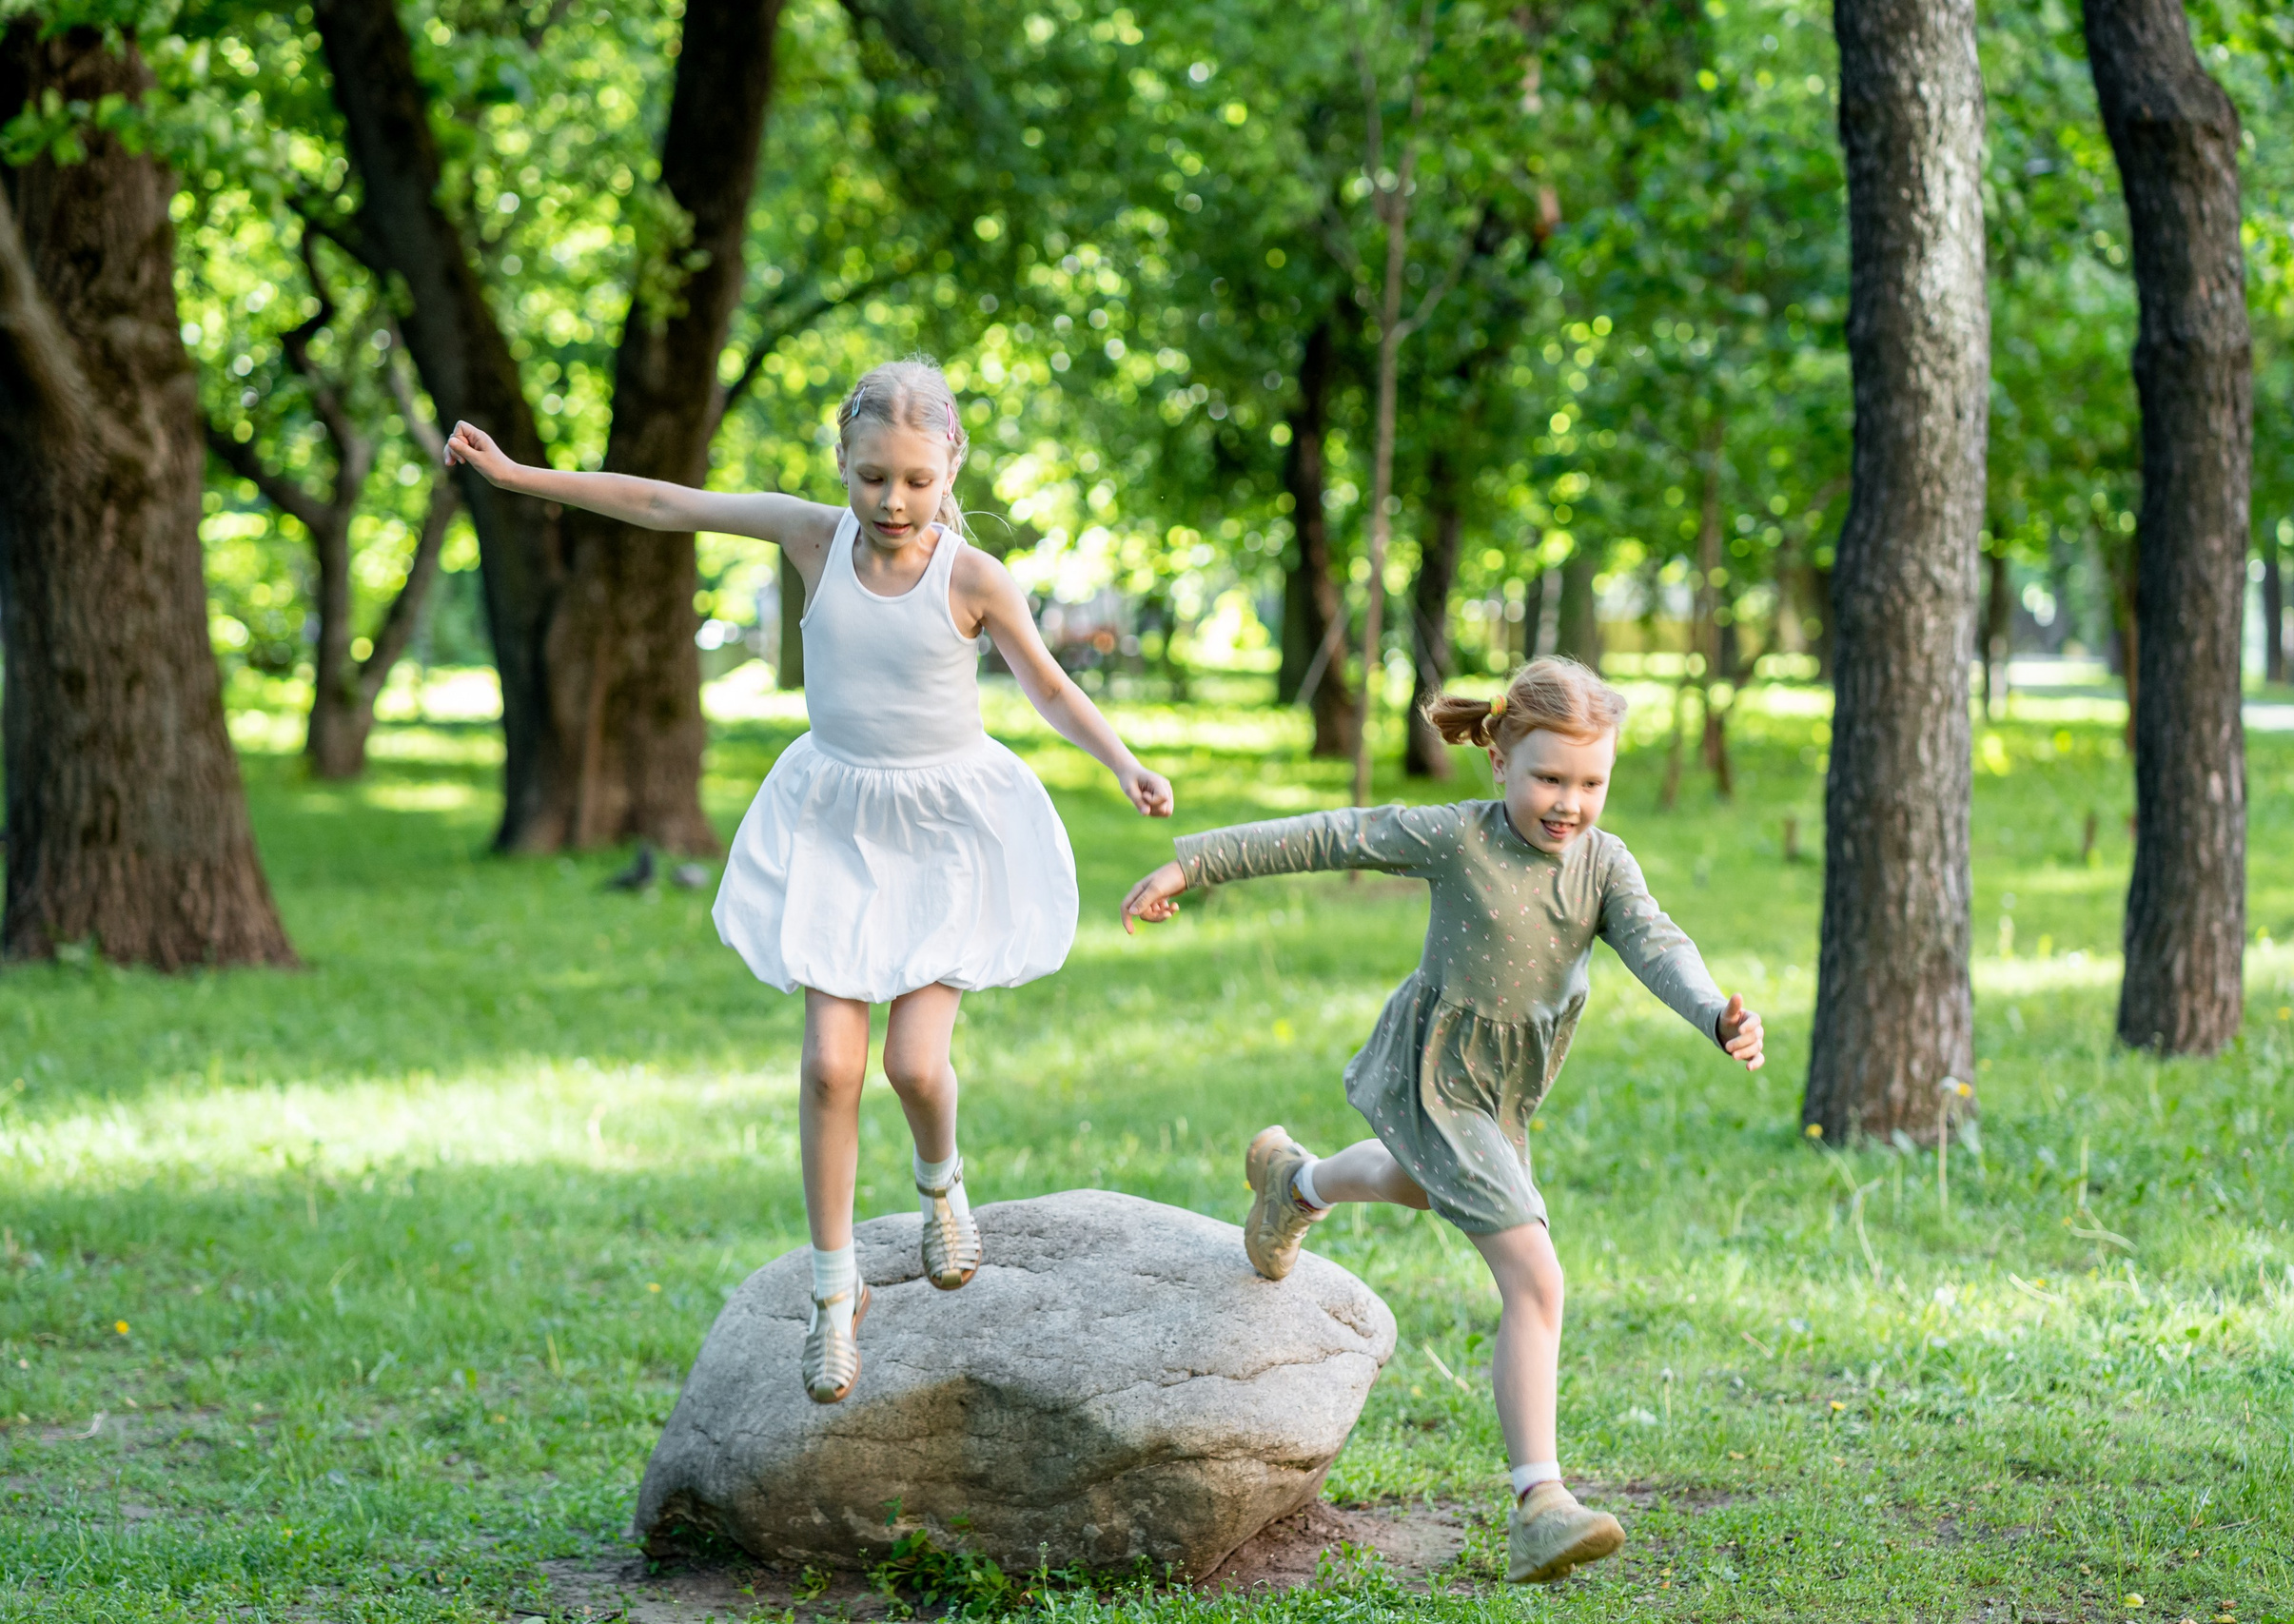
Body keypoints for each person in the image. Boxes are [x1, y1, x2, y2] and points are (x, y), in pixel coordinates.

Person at [445, 357, 1172, 1406]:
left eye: (915, 480)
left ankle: (941, 1186)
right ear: (843, 461)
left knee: (913, 1066)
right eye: (873, 476)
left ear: (950, 467)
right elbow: (664, 503)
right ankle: (837, 1293)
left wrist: (1123, 761)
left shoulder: (973, 577)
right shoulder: (811, 539)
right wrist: (519, 478)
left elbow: (1048, 686)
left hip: (943, 833)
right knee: (831, 1065)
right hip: (837, 823)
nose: (893, 501)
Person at [1119, 655, 1762, 1585]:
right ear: (1499, 760)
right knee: (1536, 1277)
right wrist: (1193, 862)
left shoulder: (1604, 864)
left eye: (1591, 783)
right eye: (1549, 778)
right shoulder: (1457, 838)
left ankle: (1293, 1185)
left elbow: (1659, 944)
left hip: (1504, 1090)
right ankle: (1539, 1502)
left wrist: (1714, 1013)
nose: (1569, 803)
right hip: (1435, 1072)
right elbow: (1329, 834)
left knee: (1414, 1182)